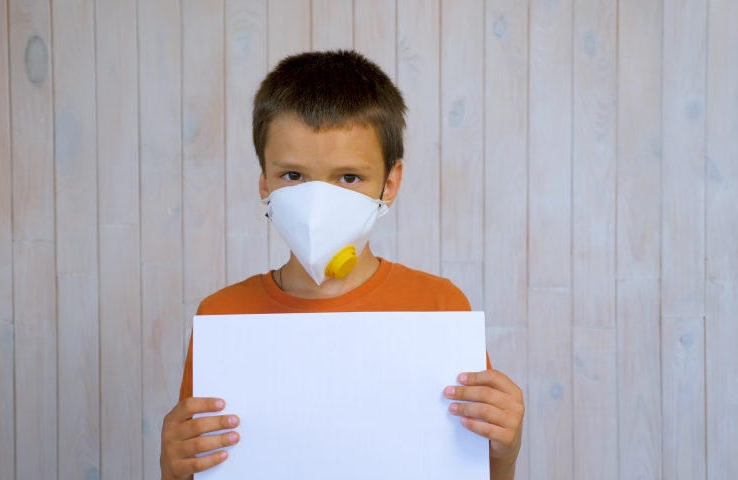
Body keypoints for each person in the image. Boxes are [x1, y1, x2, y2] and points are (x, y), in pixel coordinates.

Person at [159, 50, 524, 480]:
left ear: (389, 184)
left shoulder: (439, 306)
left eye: (348, 177)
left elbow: (470, 464)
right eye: (293, 175)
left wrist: (504, 450)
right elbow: (199, 464)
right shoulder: (222, 316)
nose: (318, 203)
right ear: (265, 182)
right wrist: (173, 465)